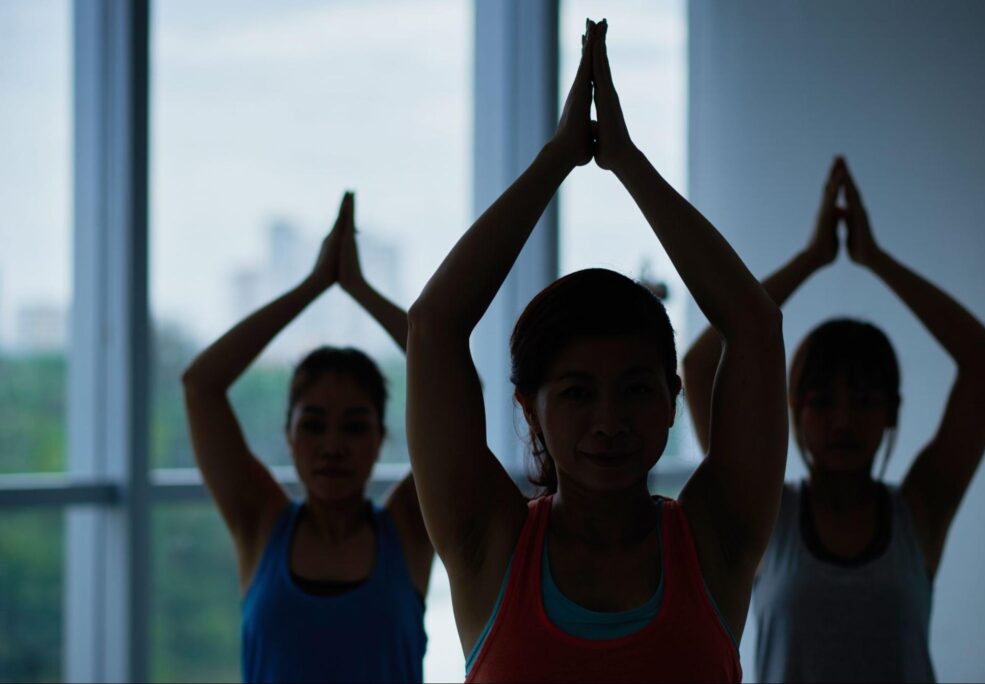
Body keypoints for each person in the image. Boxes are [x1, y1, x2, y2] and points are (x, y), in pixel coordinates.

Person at [406, 20, 786, 683]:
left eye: (635, 389)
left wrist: (627, 161)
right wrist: (557, 157)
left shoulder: (714, 541)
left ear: (672, 399)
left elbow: (754, 324)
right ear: (529, 408)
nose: (609, 421)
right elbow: (433, 326)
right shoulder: (489, 545)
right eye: (578, 393)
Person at [682, 157, 985, 682]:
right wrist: (810, 259)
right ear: (794, 408)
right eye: (822, 400)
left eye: (862, 400)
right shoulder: (766, 516)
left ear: (891, 412)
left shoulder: (920, 512)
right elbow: (700, 367)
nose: (842, 421)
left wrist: (875, 260)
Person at [181, 192, 433, 683]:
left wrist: (357, 288)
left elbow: (455, 386)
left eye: (354, 426)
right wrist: (314, 285)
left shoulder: (410, 527)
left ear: (380, 438)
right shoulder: (259, 521)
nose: (333, 445)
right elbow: (200, 385)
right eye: (314, 424)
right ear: (289, 435)